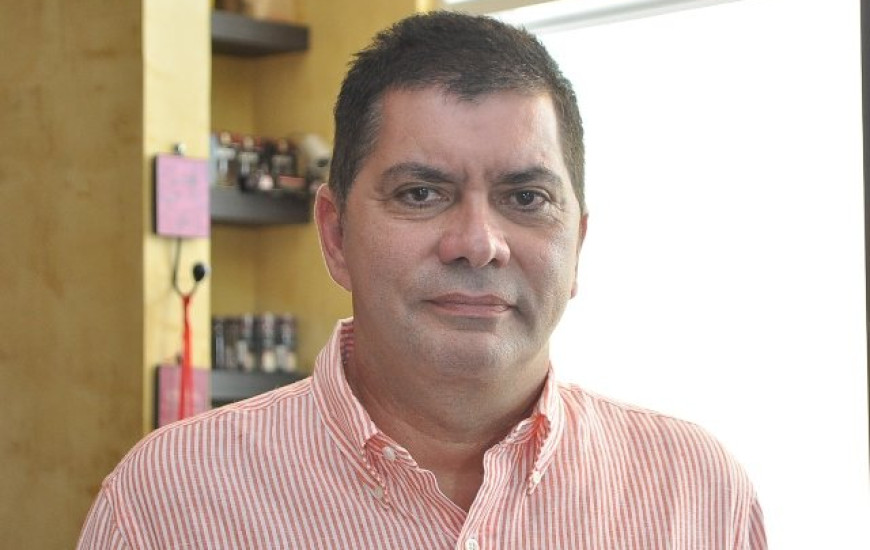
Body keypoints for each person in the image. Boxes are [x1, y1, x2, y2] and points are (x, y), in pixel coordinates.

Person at [78, 11, 766, 549]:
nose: (478, 243)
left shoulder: (696, 496)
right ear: (335, 235)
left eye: (526, 197)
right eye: (421, 194)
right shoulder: (168, 503)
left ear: (577, 246)